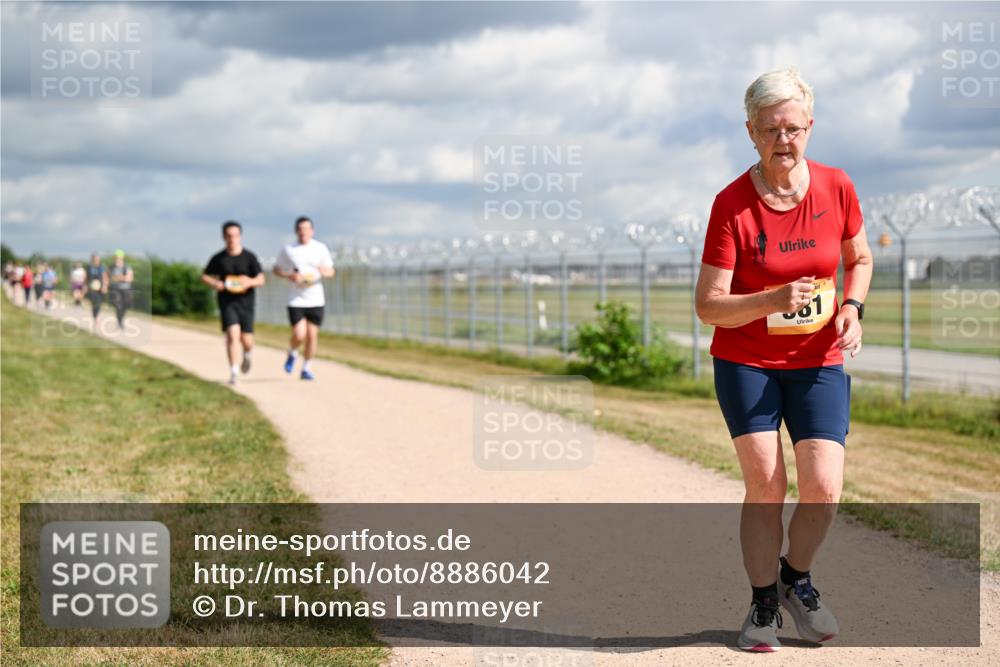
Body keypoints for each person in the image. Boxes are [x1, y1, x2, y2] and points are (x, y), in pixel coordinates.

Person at [694, 68, 873, 652]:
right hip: (747, 362)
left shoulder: (837, 186)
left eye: (793, 128)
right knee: (766, 485)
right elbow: (708, 306)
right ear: (750, 132)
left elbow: (860, 258)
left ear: (810, 127)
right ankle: (763, 603)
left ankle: (796, 579)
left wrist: (852, 308)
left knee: (824, 487)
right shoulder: (731, 205)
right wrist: (771, 299)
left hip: (818, 360)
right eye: (770, 129)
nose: (783, 140)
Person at [202, 220, 266, 385]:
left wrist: (249, 282)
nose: (232, 239)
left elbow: (261, 279)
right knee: (232, 335)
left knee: (247, 340)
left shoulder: (249, 257)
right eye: (229, 236)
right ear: (224, 237)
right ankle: (234, 372)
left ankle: (247, 354)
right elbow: (205, 275)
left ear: (240, 236)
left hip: (246, 302)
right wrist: (215, 283)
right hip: (227, 302)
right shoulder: (219, 258)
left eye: (235, 235)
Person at [272, 216, 334, 380]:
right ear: (296, 231)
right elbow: (276, 269)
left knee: (312, 336)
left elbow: (331, 271)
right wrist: (289, 275)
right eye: (300, 229)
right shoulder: (289, 249)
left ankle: (306, 367)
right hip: (296, 299)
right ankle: (293, 352)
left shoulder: (320, 248)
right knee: (300, 334)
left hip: (316, 299)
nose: (303, 232)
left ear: (312, 231)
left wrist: (323, 272)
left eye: (306, 229)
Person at [108, 250, 134, 329]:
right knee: (118, 306)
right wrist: (123, 277)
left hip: (126, 289)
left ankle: (121, 319)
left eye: (118, 258)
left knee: (126, 306)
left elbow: (130, 278)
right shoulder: (112, 267)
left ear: (122, 258)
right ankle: (120, 322)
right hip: (116, 289)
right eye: (116, 258)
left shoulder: (127, 267)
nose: (117, 259)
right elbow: (111, 278)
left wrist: (120, 278)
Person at [85, 253, 108, 321]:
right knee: (94, 302)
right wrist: (85, 287)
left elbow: (105, 277)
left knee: (99, 303)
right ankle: (95, 316)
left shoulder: (101, 267)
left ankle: (96, 315)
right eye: (94, 259)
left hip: (100, 288)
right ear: (92, 259)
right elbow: (86, 278)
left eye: (97, 259)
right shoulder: (89, 267)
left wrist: (105, 286)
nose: (96, 260)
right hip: (91, 288)